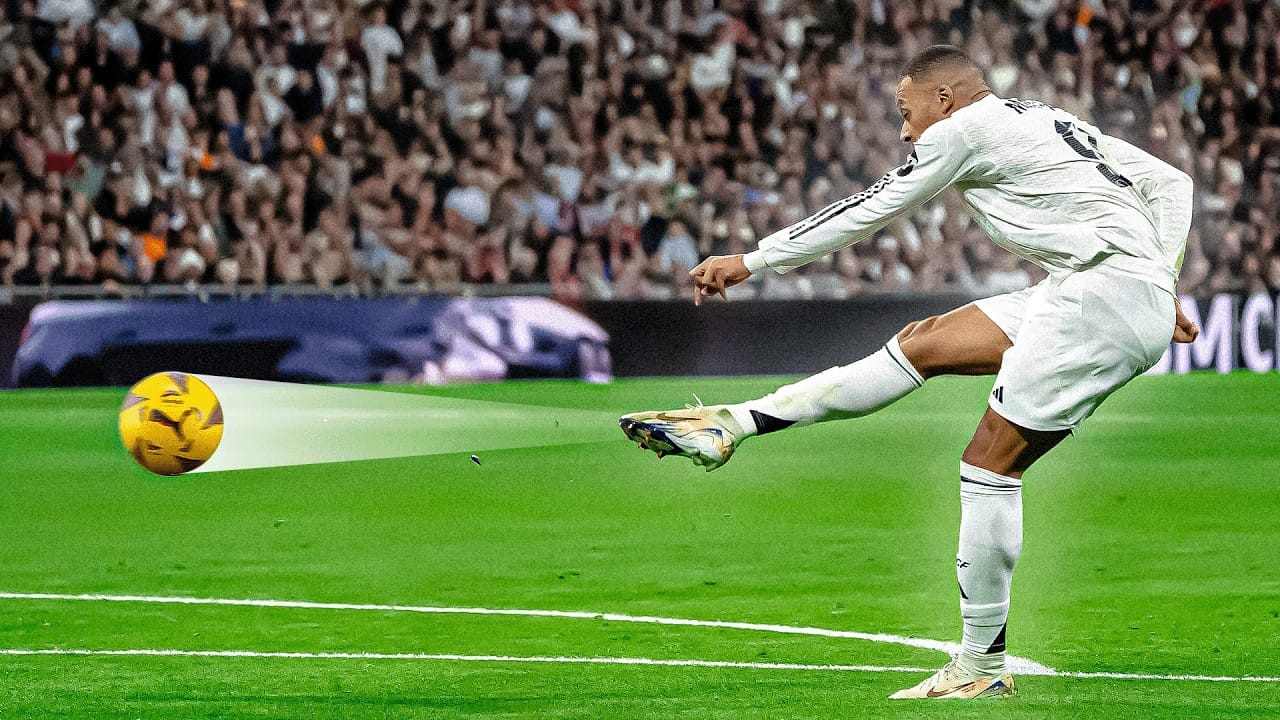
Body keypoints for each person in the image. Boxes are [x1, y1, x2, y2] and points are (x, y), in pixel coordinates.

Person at [619, 45, 1201, 700]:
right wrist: (1163, 283)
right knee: (924, 344)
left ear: (943, 98)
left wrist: (753, 261)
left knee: (989, 467)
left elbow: (869, 208)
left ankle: (980, 664)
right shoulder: (1043, 117)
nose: (904, 129)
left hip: (1099, 295)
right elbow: (1172, 184)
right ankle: (734, 423)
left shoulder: (962, 130)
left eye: (906, 109)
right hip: (1100, 287)